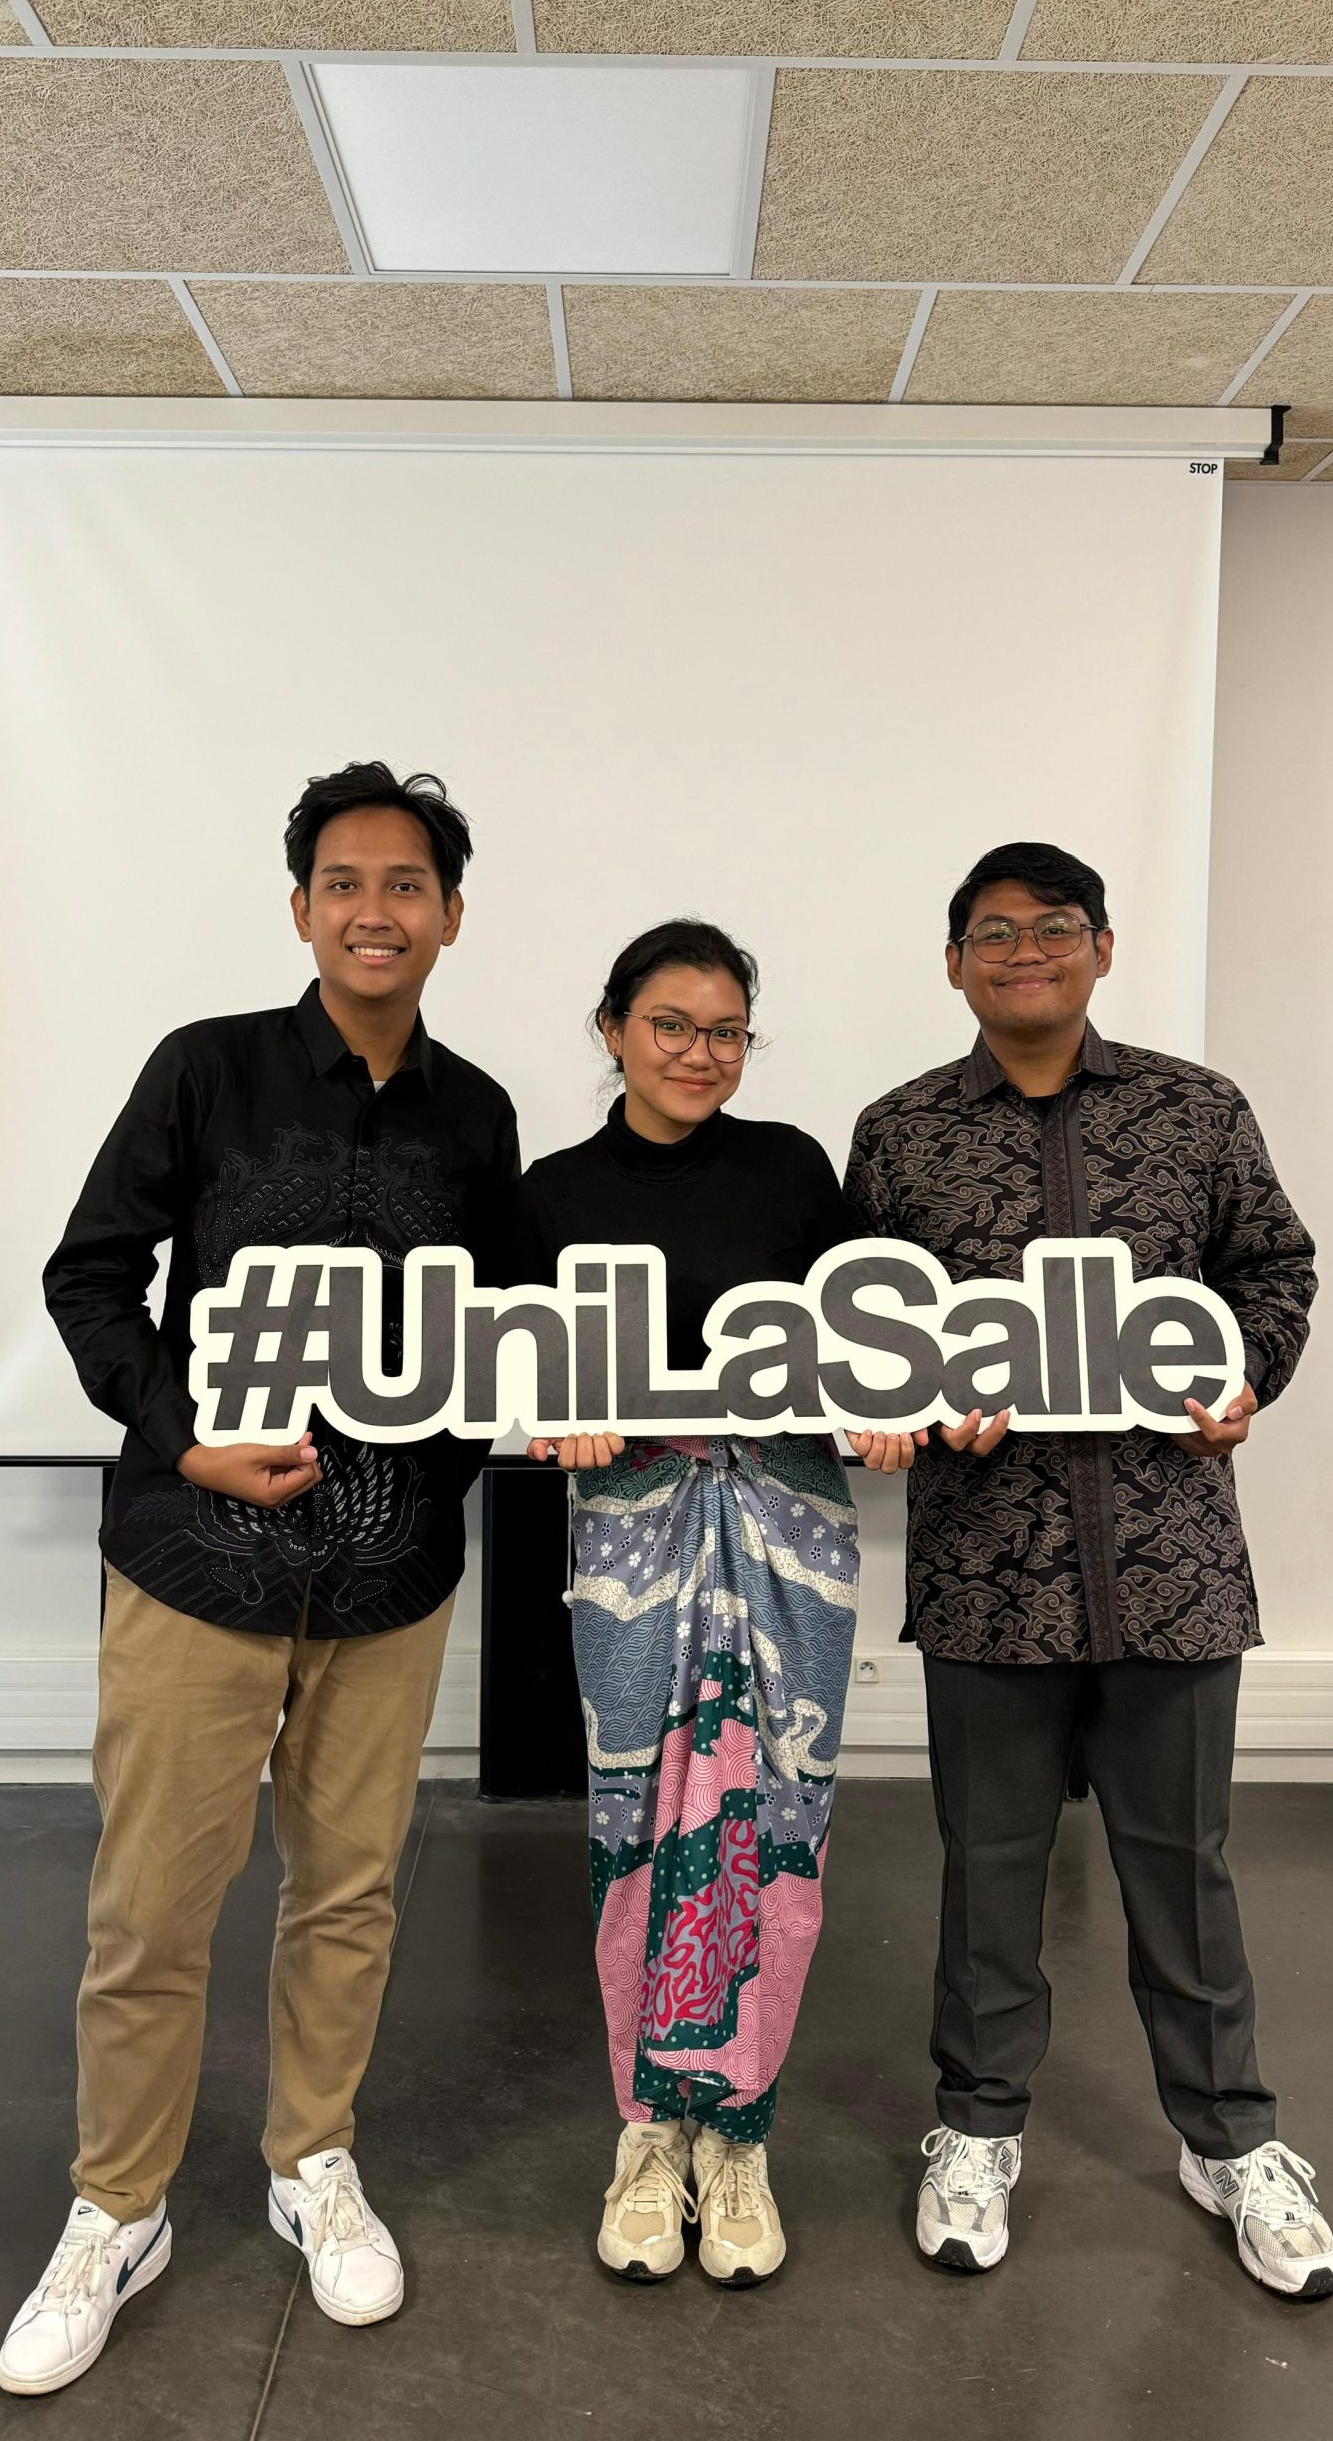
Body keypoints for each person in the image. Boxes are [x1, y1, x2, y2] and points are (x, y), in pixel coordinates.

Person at [0, 762, 520, 2396]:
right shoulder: (204, 1069)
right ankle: (117, 2208)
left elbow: (499, 1335)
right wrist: (185, 1439)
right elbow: (91, 1276)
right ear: (301, 908)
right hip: (195, 1562)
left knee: (349, 1893)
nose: (376, 910)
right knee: (151, 1907)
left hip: (389, 1581)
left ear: (450, 914)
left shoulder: (480, 1113)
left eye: (407, 884)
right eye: (344, 882)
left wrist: (451, 1469)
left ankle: (313, 2161)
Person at [844, 840, 1333, 2302]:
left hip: (1170, 1563)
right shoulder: (901, 1132)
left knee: (1182, 1868)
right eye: (993, 933)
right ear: (954, 964)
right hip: (987, 1569)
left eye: (1054, 927)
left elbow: (1274, 1270)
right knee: (989, 1868)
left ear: (1103, 949)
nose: (1026, 952)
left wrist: (1242, 1378)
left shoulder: (1198, 1110)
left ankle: (1231, 2139)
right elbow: (858, 1326)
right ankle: (977, 2127)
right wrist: (909, 1400)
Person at [519, 919, 923, 2286]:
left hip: (788, 1525)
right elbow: (513, 1363)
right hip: (632, 1536)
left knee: (780, 1813)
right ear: (613, 1029)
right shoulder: (552, 1193)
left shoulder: (793, 1168)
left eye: (727, 1031)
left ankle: (741, 2130)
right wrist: (555, 1416)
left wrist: (880, 1410)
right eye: (672, 1025)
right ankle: (648, 2130)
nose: (700, 1052)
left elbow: (865, 1338)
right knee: (635, 1813)